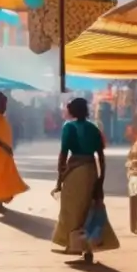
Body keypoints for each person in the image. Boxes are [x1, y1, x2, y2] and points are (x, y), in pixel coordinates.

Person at [52, 97, 119, 263]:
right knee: (87, 210)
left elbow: (63, 154)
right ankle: (88, 250)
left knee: (71, 211)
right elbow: (101, 156)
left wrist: (59, 179)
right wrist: (100, 180)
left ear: (73, 111)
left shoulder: (69, 128)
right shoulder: (94, 129)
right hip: (91, 170)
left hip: (75, 172)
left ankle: (73, 245)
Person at [0, 91, 29, 211]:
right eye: (2, 104)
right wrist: (4, 146)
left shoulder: (0, 117)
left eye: (5, 104)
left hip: (3, 154)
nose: (4, 107)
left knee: (2, 177)